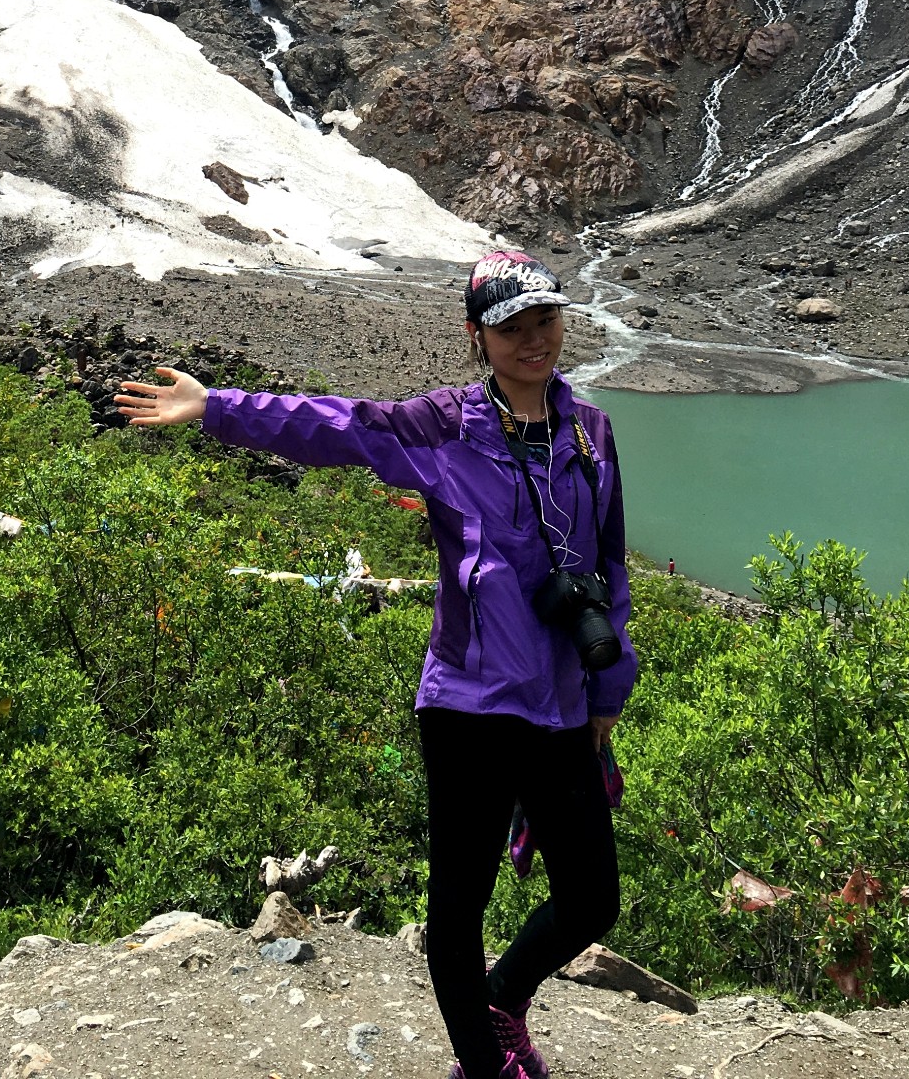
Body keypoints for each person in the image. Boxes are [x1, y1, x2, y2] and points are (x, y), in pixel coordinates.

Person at [115, 249, 639, 1079]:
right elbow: (333, 425)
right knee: (458, 907)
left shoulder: (590, 430)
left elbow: (610, 566)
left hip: (564, 700)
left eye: (545, 320)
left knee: (591, 897)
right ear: (478, 337)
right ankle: (483, 1064)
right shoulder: (444, 426)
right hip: (468, 701)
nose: (534, 340)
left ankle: (502, 1001)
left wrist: (609, 684)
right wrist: (215, 407)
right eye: (512, 328)